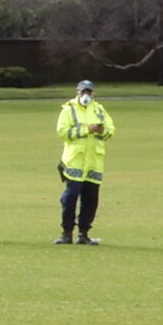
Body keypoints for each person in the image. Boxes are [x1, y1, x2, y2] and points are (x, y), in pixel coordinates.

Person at [54, 78, 114, 244]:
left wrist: (101, 131)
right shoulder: (68, 110)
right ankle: (66, 232)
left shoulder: (99, 110)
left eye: (89, 92)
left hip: (94, 162)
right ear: (77, 93)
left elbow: (110, 130)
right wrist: (87, 130)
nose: (86, 95)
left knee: (91, 200)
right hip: (75, 161)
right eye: (83, 92)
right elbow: (62, 132)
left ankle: (84, 233)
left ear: (93, 93)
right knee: (70, 197)